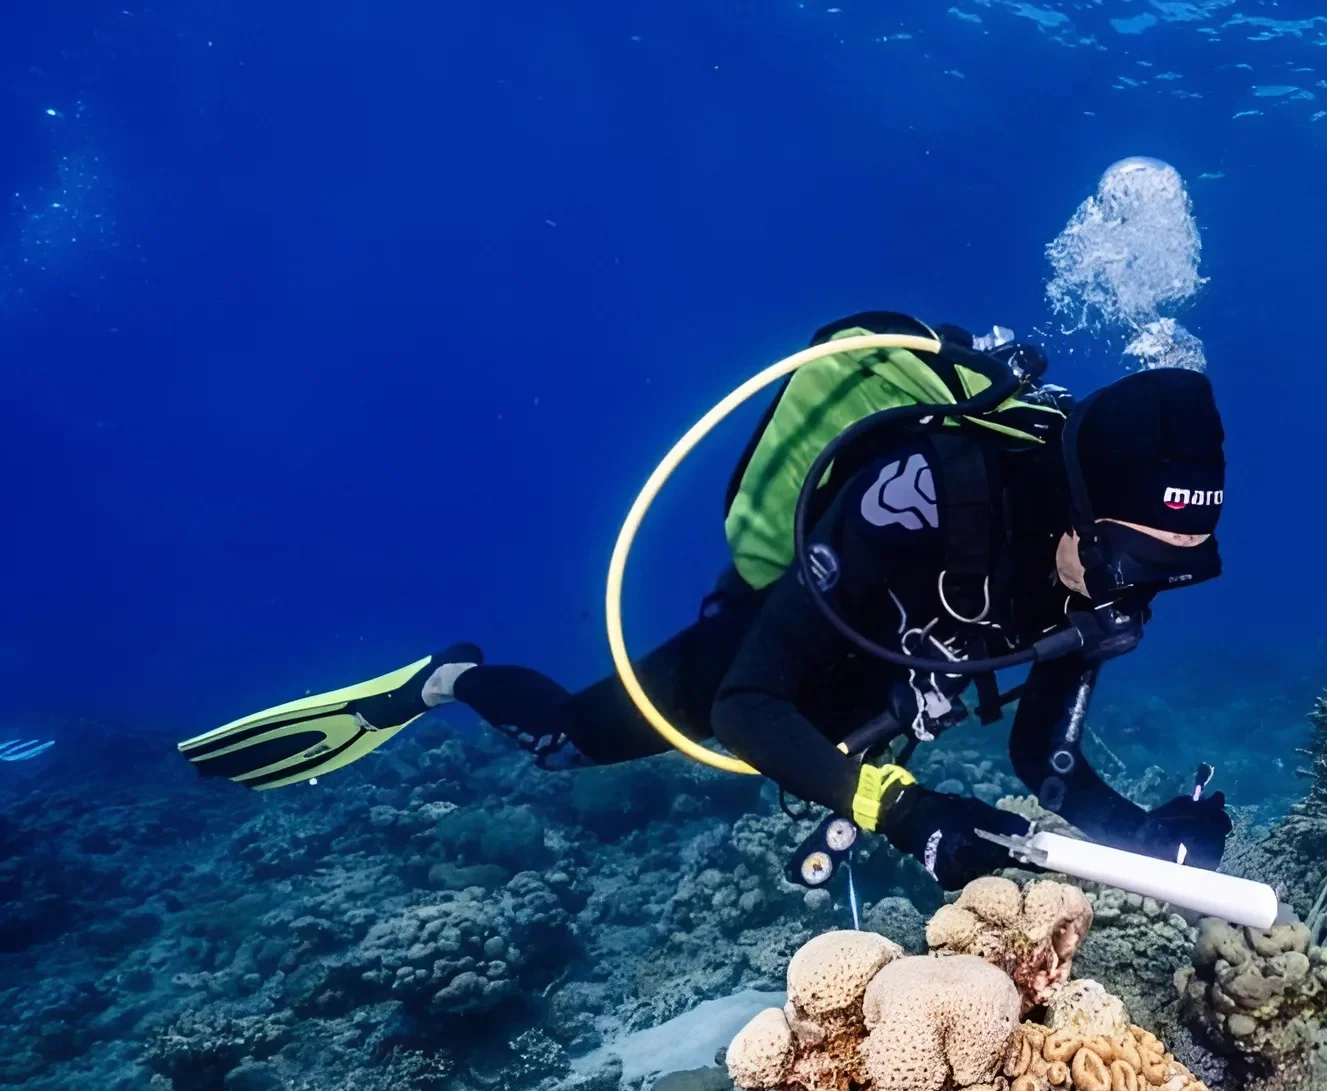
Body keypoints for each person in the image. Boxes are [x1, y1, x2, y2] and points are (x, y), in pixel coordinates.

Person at [179, 315, 1233, 889]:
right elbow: (748, 705)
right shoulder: (926, 493)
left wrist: (1142, 831)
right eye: (1131, 560)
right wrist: (898, 810)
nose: (1137, 597)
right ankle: (444, 676)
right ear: (1079, 501)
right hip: (781, 649)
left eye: (1178, 569)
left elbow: (1039, 752)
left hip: (889, 689)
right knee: (558, 744)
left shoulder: (1109, 566)